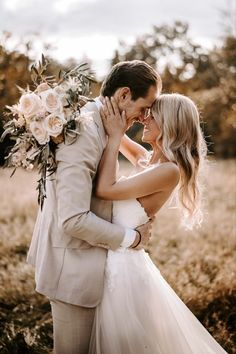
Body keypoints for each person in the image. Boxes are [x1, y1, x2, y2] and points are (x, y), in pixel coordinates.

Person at [26, 60, 162, 354]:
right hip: (72, 267)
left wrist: (118, 137)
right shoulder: (85, 131)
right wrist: (133, 239)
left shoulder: (100, 123)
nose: (144, 117)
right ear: (124, 95)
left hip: (92, 264)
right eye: (144, 107)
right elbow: (73, 220)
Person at [89, 94, 228, 354]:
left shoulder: (169, 171)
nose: (144, 117)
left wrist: (116, 136)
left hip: (123, 271)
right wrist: (100, 105)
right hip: (115, 260)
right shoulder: (149, 161)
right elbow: (120, 138)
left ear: (170, 123)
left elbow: (106, 189)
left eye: (152, 114)